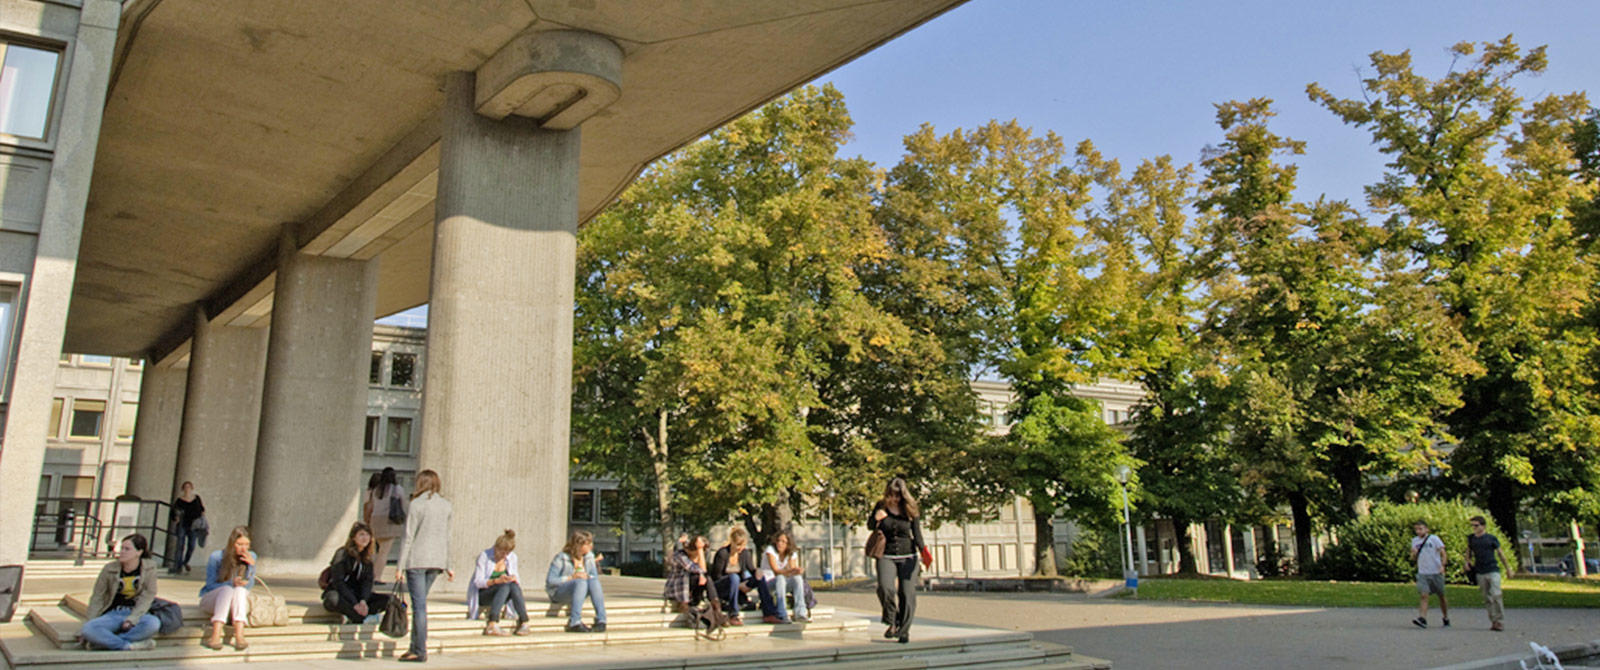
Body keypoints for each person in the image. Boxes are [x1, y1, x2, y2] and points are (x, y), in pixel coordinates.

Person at [395, 469, 453, 663]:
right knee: (420, 604)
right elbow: (447, 537)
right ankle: (414, 646)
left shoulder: (416, 505)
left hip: (418, 560)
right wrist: (448, 564)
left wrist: (400, 565)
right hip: (436, 561)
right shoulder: (446, 505)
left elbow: (408, 536)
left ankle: (419, 649)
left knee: (419, 606)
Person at [79, 533, 160, 651]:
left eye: (127, 549)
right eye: (121, 548)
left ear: (139, 552)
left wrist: (132, 619)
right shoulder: (109, 569)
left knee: (153, 624)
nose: (122, 552)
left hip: (136, 613)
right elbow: (97, 597)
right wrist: (92, 619)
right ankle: (129, 646)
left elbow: (148, 596)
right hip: (113, 613)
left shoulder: (150, 568)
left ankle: (105, 643)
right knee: (88, 629)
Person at [869, 477, 925, 643]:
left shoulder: (910, 509)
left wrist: (924, 553)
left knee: (907, 594)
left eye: (897, 496)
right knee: (886, 588)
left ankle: (904, 630)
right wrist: (876, 518)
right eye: (891, 495)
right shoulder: (881, 506)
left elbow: (917, 533)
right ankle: (892, 621)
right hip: (886, 555)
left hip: (908, 555)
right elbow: (870, 525)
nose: (894, 499)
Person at [198, 526, 256, 650]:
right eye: (239, 544)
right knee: (227, 590)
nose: (243, 548)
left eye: (247, 544)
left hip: (235, 603)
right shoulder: (217, 557)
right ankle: (215, 634)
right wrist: (230, 583)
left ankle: (239, 635)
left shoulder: (251, 556)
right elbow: (210, 585)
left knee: (240, 591)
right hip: (214, 599)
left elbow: (250, 586)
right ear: (232, 543)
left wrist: (251, 567)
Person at [709, 528, 783, 625]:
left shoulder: (745, 554)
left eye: (743, 545)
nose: (740, 548)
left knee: (760, 578)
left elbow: (751, 569)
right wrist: (738, 585)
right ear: (732, 542)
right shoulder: (723, 553)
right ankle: (733, 614)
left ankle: (769, 613)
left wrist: (758, 572)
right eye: (738, 545)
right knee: (734, 577)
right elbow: (717, 576)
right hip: (723, 586)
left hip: (738, 584)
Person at [322, 522, 390, 625]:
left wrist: (363, 601)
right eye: (361, 534)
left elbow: (367, 582)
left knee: (391, 600)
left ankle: (359, 615)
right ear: (353, 537)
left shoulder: (367, 557)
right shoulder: (342, 554)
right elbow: (338, 582)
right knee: (332, 600)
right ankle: (360, 617)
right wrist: (354, 603)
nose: (365, 538)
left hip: (358, 596)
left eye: (367, 535)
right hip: (342, 594)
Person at [468, 529, 530, 636]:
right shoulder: (484, 556)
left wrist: (513, 578)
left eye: (508, 553)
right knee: (505, 586)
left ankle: (524, 621)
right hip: (484, 593)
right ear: (496, 548)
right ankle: (492, 623)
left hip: (503, 593)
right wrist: (496, 581)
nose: (505, 556)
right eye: (502, 552)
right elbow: (478, 582)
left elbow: (516, 580)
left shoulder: (512, 558)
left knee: (513, 586)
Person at [546, 530, 608, 633]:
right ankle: (575, 621)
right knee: (580, 581)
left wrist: (587, 576)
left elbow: (593, 577)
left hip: (580, 590)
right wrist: (571, 577)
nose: (591, 546)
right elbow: (551, 581)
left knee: (594, 581)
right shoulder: (561, 558)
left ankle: (601, 619)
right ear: (578, 545)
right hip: (559, 592)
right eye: (587, 544)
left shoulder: (589, 557)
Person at [1466, 515, 1512, 632]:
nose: (1474, 528)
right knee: (1487, 597)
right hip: (1480, 571)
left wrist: (1508, 568)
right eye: (1472, 526)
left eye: (1476, 525)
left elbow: (1500, 553)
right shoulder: (1471, 539)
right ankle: (1494, 621)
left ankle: (1500, 620)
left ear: (1483, 526)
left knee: (1496, 594)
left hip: (1492, 569)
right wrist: (1467, 562)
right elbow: (1468, 552)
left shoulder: (1491, 538)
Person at [365, 468, 406, 583]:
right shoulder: (397, 489)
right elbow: (404, 505)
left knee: (374, 550)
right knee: (384, 551)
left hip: (375, 520)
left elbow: (371, 506)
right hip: (389, 521)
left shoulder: (376, 490)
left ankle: (369, 575)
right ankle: (377, 576)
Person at [1409, 520, 1449, 628]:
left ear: (1426, 529)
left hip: (1435, 571)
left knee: (1441, 595)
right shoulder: (1415, 541)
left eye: (1421, 529)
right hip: (1423, 572)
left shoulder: (1434, 539)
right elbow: (1413, 558)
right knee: (1424, 595)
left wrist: (1442, 565)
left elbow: (1443, 552)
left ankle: (1445, 617)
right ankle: (1422, 618)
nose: (1418, 531)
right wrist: (1414, 554)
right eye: (1416, 529)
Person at [763, 530, 809, 623]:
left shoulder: (791, 553)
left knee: (797, 578)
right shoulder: (770, 550)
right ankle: (781, 613)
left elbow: (792, 571)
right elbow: (776, 571)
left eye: (783, 542)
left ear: (788, 544)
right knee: (780, 577)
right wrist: (791, 571)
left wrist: (796, 571)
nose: (780, 544)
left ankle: (800, 613)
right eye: (778, 541)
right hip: (768, 583)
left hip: (782, 584)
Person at [663, 535, 710, 614]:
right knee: (699, 575)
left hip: (689, 587)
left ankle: (716, 604)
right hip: (677, 588)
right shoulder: (681, 555)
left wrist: (702, 574)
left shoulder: (697, 555)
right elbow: (694, 568)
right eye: (698, 553)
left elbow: (703, 572)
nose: (699, 556)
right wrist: (700, 549)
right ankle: (684, 605)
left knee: (707, 578)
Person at [169, 481, 204, 575]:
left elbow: (202, 510)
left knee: (191, 545)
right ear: (183, 489)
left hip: (194, 525)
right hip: (183, 524)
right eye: (185, 487)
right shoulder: (179, 500)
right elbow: (173, 512)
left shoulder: (196, 498)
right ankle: (178, 566)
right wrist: (175, 518)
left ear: (192, 488)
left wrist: (202, 521)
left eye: (189, 487)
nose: (187, 489)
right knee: (180, 545)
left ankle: (185, 561)